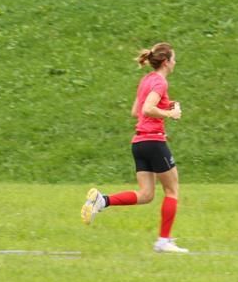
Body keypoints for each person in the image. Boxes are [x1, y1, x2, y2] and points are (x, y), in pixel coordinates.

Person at [81, 42, 188, 253]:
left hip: (139, 143)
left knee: (146, 194)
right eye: (174, 59)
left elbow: (135, 111)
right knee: (172, 190)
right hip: (154, 142)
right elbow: (147, 109)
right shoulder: (160, 83)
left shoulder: (146, 80)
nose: (175, 62)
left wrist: (167, 104)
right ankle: (164, 241)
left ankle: (102, 201)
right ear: (166, 62)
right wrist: (170, 113)